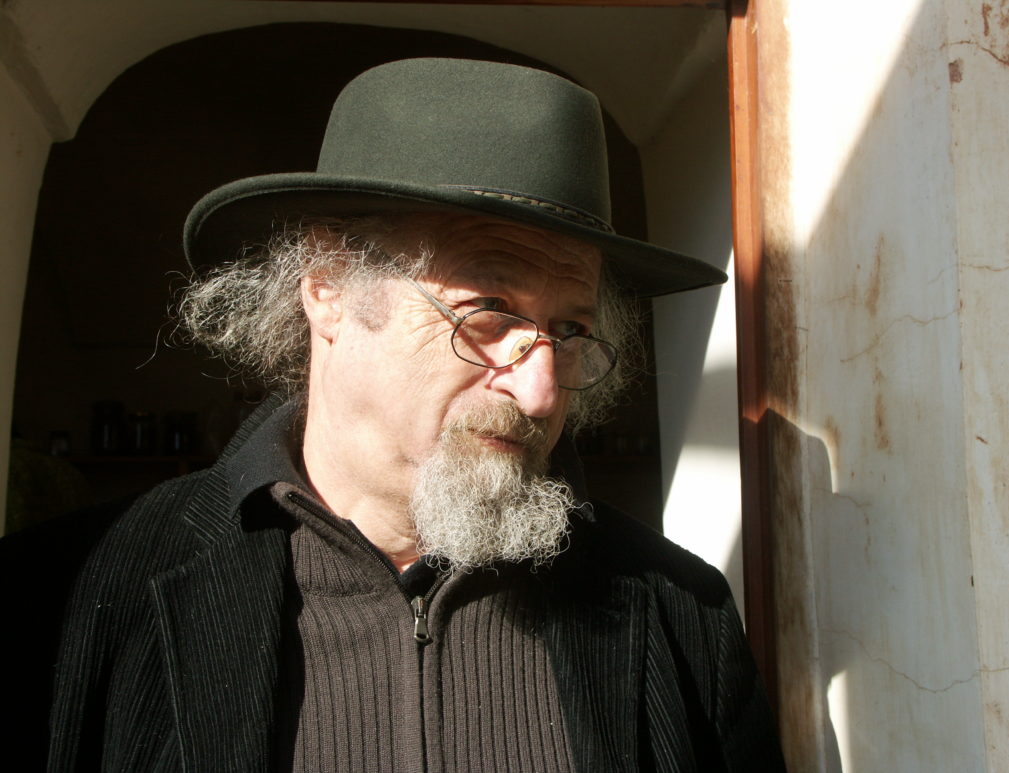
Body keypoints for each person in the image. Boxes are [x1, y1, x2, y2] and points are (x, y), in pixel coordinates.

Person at [3, 58, 785, 771]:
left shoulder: (684, 613)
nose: (542, 390)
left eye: (571, 330)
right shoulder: (65, 596)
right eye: (487, 312)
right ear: (328, 286)